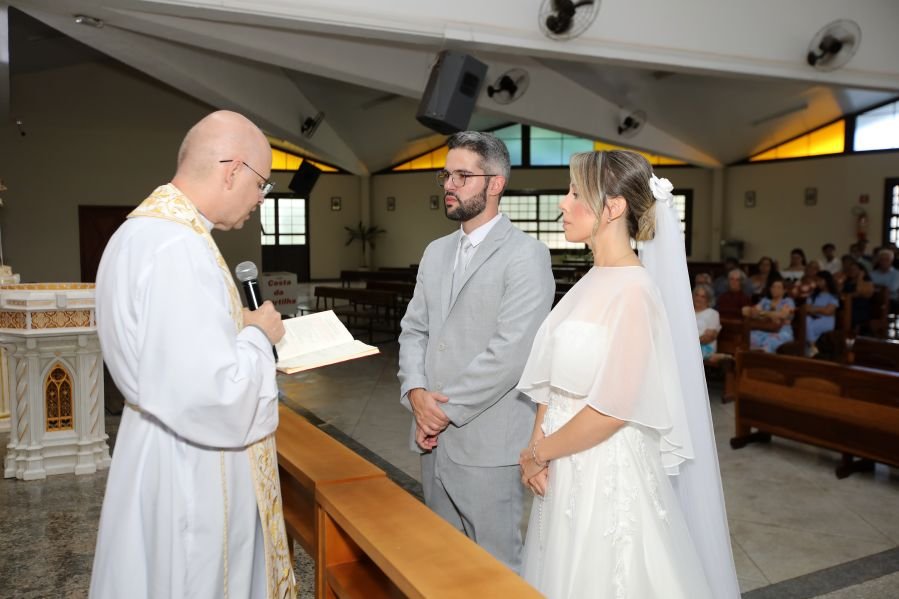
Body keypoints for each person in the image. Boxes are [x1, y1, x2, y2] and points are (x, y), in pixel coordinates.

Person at [516, 151, 739, 598]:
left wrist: (538, 453)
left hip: (602, 470)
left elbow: (613, 410)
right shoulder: (592, 278)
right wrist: (537, 446)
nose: (563, 203)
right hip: (563, 461)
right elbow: (552, 378)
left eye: (575, 193)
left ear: (613, 207)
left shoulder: (635, 291)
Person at [90, 111, 295, 599]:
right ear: (233, 170)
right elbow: (214, 394)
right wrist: (259, 335)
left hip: (156, 442)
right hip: (192, 468)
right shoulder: (178, 247)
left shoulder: (139, 232)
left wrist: (235, 328)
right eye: (261, 184)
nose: (260, 199)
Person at [397, 131, 554, 571]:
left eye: (462, 176)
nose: (449, 185)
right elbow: (413, 330)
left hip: (488, 445)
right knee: (443, 562)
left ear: (495, 184)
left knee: (496, 567)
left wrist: (440, 410)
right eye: (446, 175)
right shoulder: (435, 252)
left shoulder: (526, 255)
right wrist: (416, 393)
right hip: (433, 439)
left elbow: (512, 352)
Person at [744, 275, 795, 353]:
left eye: (778, 287)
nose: (775, 289)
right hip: (764, 329)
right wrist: (771, 314)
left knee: (771, 341)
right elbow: (751, 312)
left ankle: (764, 357)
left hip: (782, 331)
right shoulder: (765, 301)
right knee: (750, 337)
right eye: (773, 287)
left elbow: (783, 315)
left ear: (784, 290)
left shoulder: (788, 301)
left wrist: (763, 313)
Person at [805, 270, 840, 355]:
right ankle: (813, 347)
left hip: (826, 320)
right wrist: (821, 309)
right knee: (806, 321)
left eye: (820, 280)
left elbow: (828, 311)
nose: (818, 282)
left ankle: (811, 348)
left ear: (827, 280)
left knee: (807, 328)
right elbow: (807, 308)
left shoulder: (833, 296)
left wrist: (815, 309)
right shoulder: (813, 295)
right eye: (816, 280)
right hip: (812, 319)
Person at [693, 283, 721, 358]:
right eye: (697, 295)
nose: (698, 299)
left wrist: (690, 343)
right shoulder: (688, 312)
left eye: (703, 297)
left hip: (705, 348)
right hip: (687, 346)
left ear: (708, 299)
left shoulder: (713, 313)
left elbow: (709, 337)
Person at [870, 248, 899, 313]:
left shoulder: (897, 274)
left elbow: (892, 288)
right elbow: (870, 287)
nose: (884, 262)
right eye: (882, 259)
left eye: (886, 260)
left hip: (891, 299)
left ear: (891, 261)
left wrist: (877, 286)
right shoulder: (872, 274)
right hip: (874, 299)